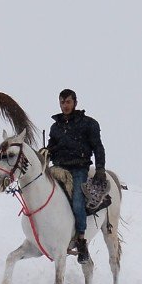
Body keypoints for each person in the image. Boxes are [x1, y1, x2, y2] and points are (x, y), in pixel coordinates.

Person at [44, 89, 107, 264]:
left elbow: (98, 147)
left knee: (78, 201)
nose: (65, 105)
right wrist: (46, 153)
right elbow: (52, 146)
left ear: (75, 103)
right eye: (62, 102)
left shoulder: (88, 124)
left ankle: (81, 240)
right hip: (57, 168)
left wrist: (100, 168)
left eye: (68, 102)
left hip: (79, 168)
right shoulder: (55, 127)